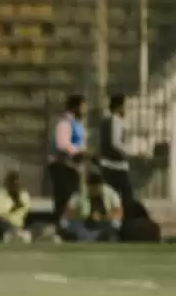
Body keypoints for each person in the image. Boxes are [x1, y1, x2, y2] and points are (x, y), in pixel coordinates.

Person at [48, 95, 87, 223]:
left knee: (72, 200)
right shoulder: (65, 122)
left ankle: (68, 225)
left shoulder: (76, 123)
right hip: (63, 167)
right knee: (64, 200)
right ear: (75, 107)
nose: (85, 109)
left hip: (72, 168)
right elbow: (63, 144)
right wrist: (79, 152)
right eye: (83, 106)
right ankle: (60, 226)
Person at [60, 171, 122, 242]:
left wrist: (103, 217)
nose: (94, 191)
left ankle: (105, 237)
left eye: (97, 188)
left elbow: (119, 212)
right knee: (64, 222)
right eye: (92, 189)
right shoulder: (79, 194)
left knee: (116, 223)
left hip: (104, 223)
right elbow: (68, 213)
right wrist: (86, 216)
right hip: (83, 222)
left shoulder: (111, 193)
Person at [97, 94, 133, 206]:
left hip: (109, 164)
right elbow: (115, 143)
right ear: (119, 106)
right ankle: (125, 220)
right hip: (115, 165)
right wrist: (128, 152)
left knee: (113, 196)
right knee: (126, 195)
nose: (127, 109)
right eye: (125, 105)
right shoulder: (115, 120)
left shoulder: (108, 120)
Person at [0, 171, 33, 243]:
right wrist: (10, 211)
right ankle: (14, 235)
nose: (14, 187)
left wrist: (15, 202)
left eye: (16, 184)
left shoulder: (23, 195)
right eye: (12, 184)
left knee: (37, 225)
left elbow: (24, 211)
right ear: (6, 184)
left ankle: (15, 235)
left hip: (18, 225)